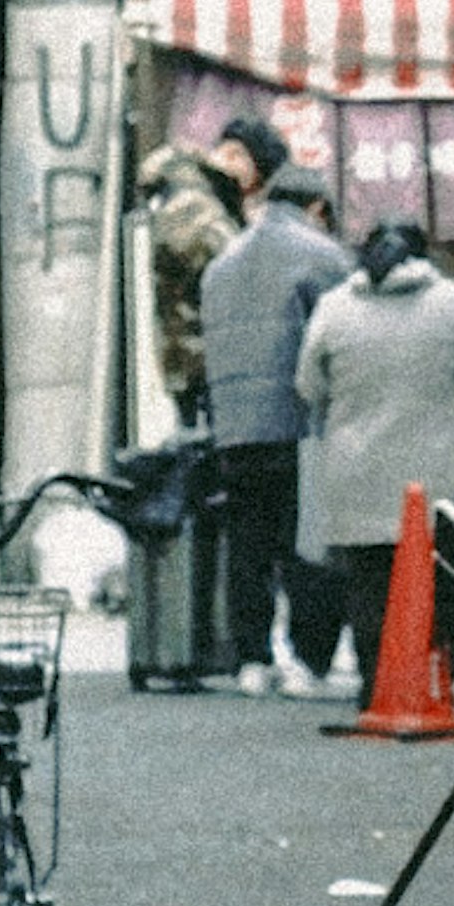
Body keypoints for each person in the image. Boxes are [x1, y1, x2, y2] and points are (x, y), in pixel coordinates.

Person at [295, 220, 454, 672]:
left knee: (368, 580)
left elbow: (308, 385)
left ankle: (377, 682)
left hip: (355, 468)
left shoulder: (333, 308)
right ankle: (431, 677)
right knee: (434, 574)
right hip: (438, 467)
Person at [197, 154, 343, 694]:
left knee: (249, 544)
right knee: (304, 544)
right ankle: (310, 660)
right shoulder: (324, 257)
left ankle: (251, 659)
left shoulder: (223, 262)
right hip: (295, 420)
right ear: (317, 206)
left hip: (234, 426)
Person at [137, 140, 248, 423]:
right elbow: (237, 267)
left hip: (180, 353)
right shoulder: (196, 208)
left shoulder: (169, 206)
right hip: (209, 354)